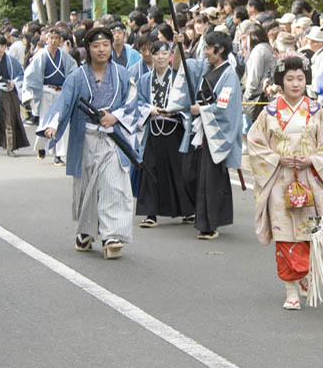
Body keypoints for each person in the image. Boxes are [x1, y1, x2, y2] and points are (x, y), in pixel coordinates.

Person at [37, 27, 144, 260]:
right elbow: (64, 101)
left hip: (114, 138)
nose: (102, 49)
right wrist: (53, 124)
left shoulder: (123, 75)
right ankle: (86, 230)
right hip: (85, 136)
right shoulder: (77, 76)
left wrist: (115, 116)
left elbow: (133, 103)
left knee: (114, 185)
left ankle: (112, 235)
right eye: (96, 46)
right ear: (88, 49)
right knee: (87, 188)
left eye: (105, 44)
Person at [247, 55, 323, 309]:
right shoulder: (270, 112)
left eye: (300, 78)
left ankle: (306, 275)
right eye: (290, 79)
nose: (296, 83)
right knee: (284, 234)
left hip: (310, 177)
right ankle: (290, 290)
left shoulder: (318, 111)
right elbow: (255, 143)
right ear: (281, 82)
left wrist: (311, 160)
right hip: (279, 179)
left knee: (309, 232)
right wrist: (277, 158)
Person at [135, 41, 201, 228]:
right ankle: (150, 213)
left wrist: (175, 110)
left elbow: (188, 99)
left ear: (170, 55)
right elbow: (138, 102)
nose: (161, 57)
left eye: (165, 54)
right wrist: (150, 109)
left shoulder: (177, 78)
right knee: (150, 170)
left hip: (175, 127)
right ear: (151, 56)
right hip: (154, 128)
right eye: (157, 54)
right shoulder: (145, 80)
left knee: (180, 171)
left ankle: (187, 209)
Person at [189, 31, 243, 240]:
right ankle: (204, 219)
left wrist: (201, 110)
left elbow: (224, 107)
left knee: (211, 182)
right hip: (205, 132)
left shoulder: (228, 75)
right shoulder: (211, 70)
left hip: (216, 133)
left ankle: (210, 224)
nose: (205, 53)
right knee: (197, 177)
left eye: (208, 48)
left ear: (219, 50)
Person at [24, 27, 78, 165]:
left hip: (60, 92)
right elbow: (30, 75)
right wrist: (30, 93)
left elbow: (73, 72)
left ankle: (58, 155)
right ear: (46, 39)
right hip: (46, 92)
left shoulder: (65, 56)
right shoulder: (41, 55)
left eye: (56, 38)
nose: (53, 41)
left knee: (60, 123)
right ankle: (41, 146)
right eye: (51, 38)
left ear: (60, 40)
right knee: (45, 122)